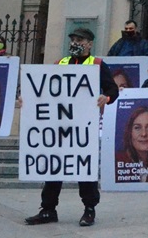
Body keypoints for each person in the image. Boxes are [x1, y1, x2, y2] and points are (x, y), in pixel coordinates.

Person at [25, 27, 118, 227]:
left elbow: (112, 89)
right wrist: (28, 102)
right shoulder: (61, 63)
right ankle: (48, 209)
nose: (75, 43)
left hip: (83, 127)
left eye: (80, 39)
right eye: (73, 39)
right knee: (54, 167)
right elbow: (45, 89)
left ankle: (89, 209)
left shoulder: (98, 64)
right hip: (59, 125)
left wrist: (106, 97)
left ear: (90, 44)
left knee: (85, 168)